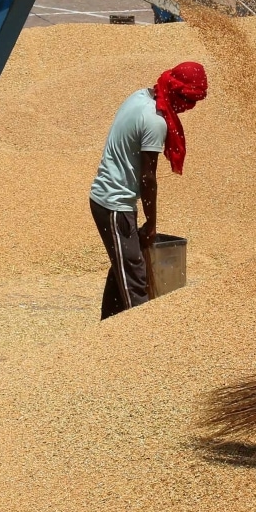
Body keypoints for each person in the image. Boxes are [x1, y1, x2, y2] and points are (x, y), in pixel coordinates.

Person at [89, 62, 208, 319]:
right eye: (188, 100)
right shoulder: (155, 121)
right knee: (135, 278)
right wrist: (151, 223)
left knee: (125, 264)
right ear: (177, 93)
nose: (189, 107)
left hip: (115, 200)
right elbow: (147, 178)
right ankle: (141, 336)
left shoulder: (141, 95)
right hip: (113, 204)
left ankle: (106, 329)